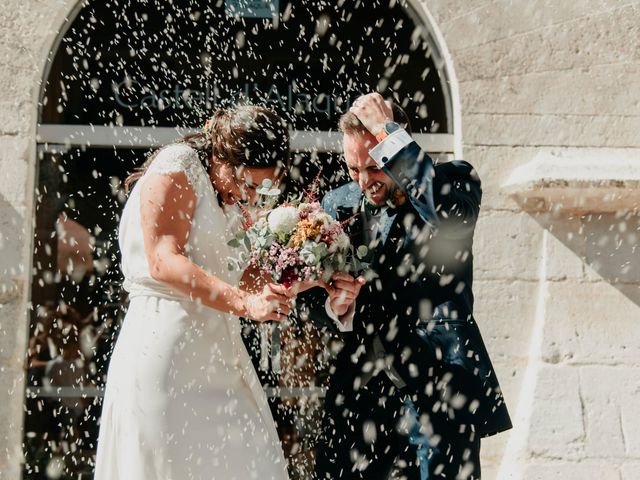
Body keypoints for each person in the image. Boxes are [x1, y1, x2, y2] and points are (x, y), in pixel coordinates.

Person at [310, 93, 512, 479]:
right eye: (354, 169)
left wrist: (389, 134)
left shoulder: (454, 181)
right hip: (363, 391)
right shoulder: (339, 204)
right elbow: (313, 300)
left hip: (442, 386)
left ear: (396, 145)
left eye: (375, 165)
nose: (364, 181)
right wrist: (335, 308)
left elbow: (446, 216)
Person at [94, 105, 298, 479]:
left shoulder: (233, 199)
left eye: (262, 188)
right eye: (247, 184)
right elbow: (163, 259)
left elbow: (243, 278)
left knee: (253, 463)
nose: (251, 196)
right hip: (166, 348)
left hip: (221, 353)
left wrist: (295, 278)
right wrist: (245, 303)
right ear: (221, 156)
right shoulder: (179, 164)